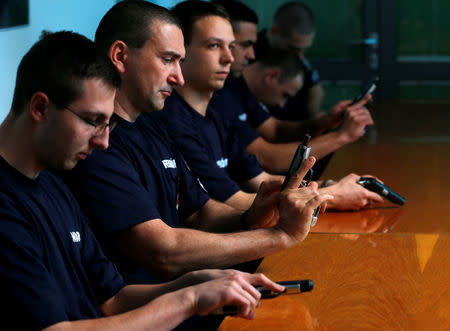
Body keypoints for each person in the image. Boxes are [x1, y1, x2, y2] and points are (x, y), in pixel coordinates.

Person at [0, 29, 288, 330]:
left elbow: (113, 299)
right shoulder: (7, 204)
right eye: (92, 122)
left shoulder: (53, 180)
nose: (104, 142)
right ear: (40, 108)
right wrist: (187, 300)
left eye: (108, 123)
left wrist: (197, 282)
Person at [66, 0, 331, 292]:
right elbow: (162, 252)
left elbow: (201, 212)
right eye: (168, 59)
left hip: (190, 294)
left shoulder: (152, 124)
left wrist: (251, 216)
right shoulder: (96, 144)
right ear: (120, 55)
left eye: (179, 62)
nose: (177, 77)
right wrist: (280, 236)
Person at [211, 0, 375, 181]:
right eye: (245, 45)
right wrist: (342, 136)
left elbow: (273, 129)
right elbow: (268, 158)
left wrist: (326, 121)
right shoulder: (217, 94)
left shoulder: (235, 82)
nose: (252, 55)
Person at [255, 1, 323, 121]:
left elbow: (314, 88)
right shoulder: (251, 54)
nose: (300, 55)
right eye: (293, 48)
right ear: (275, 31)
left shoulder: (299, 57)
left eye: (304, 49)